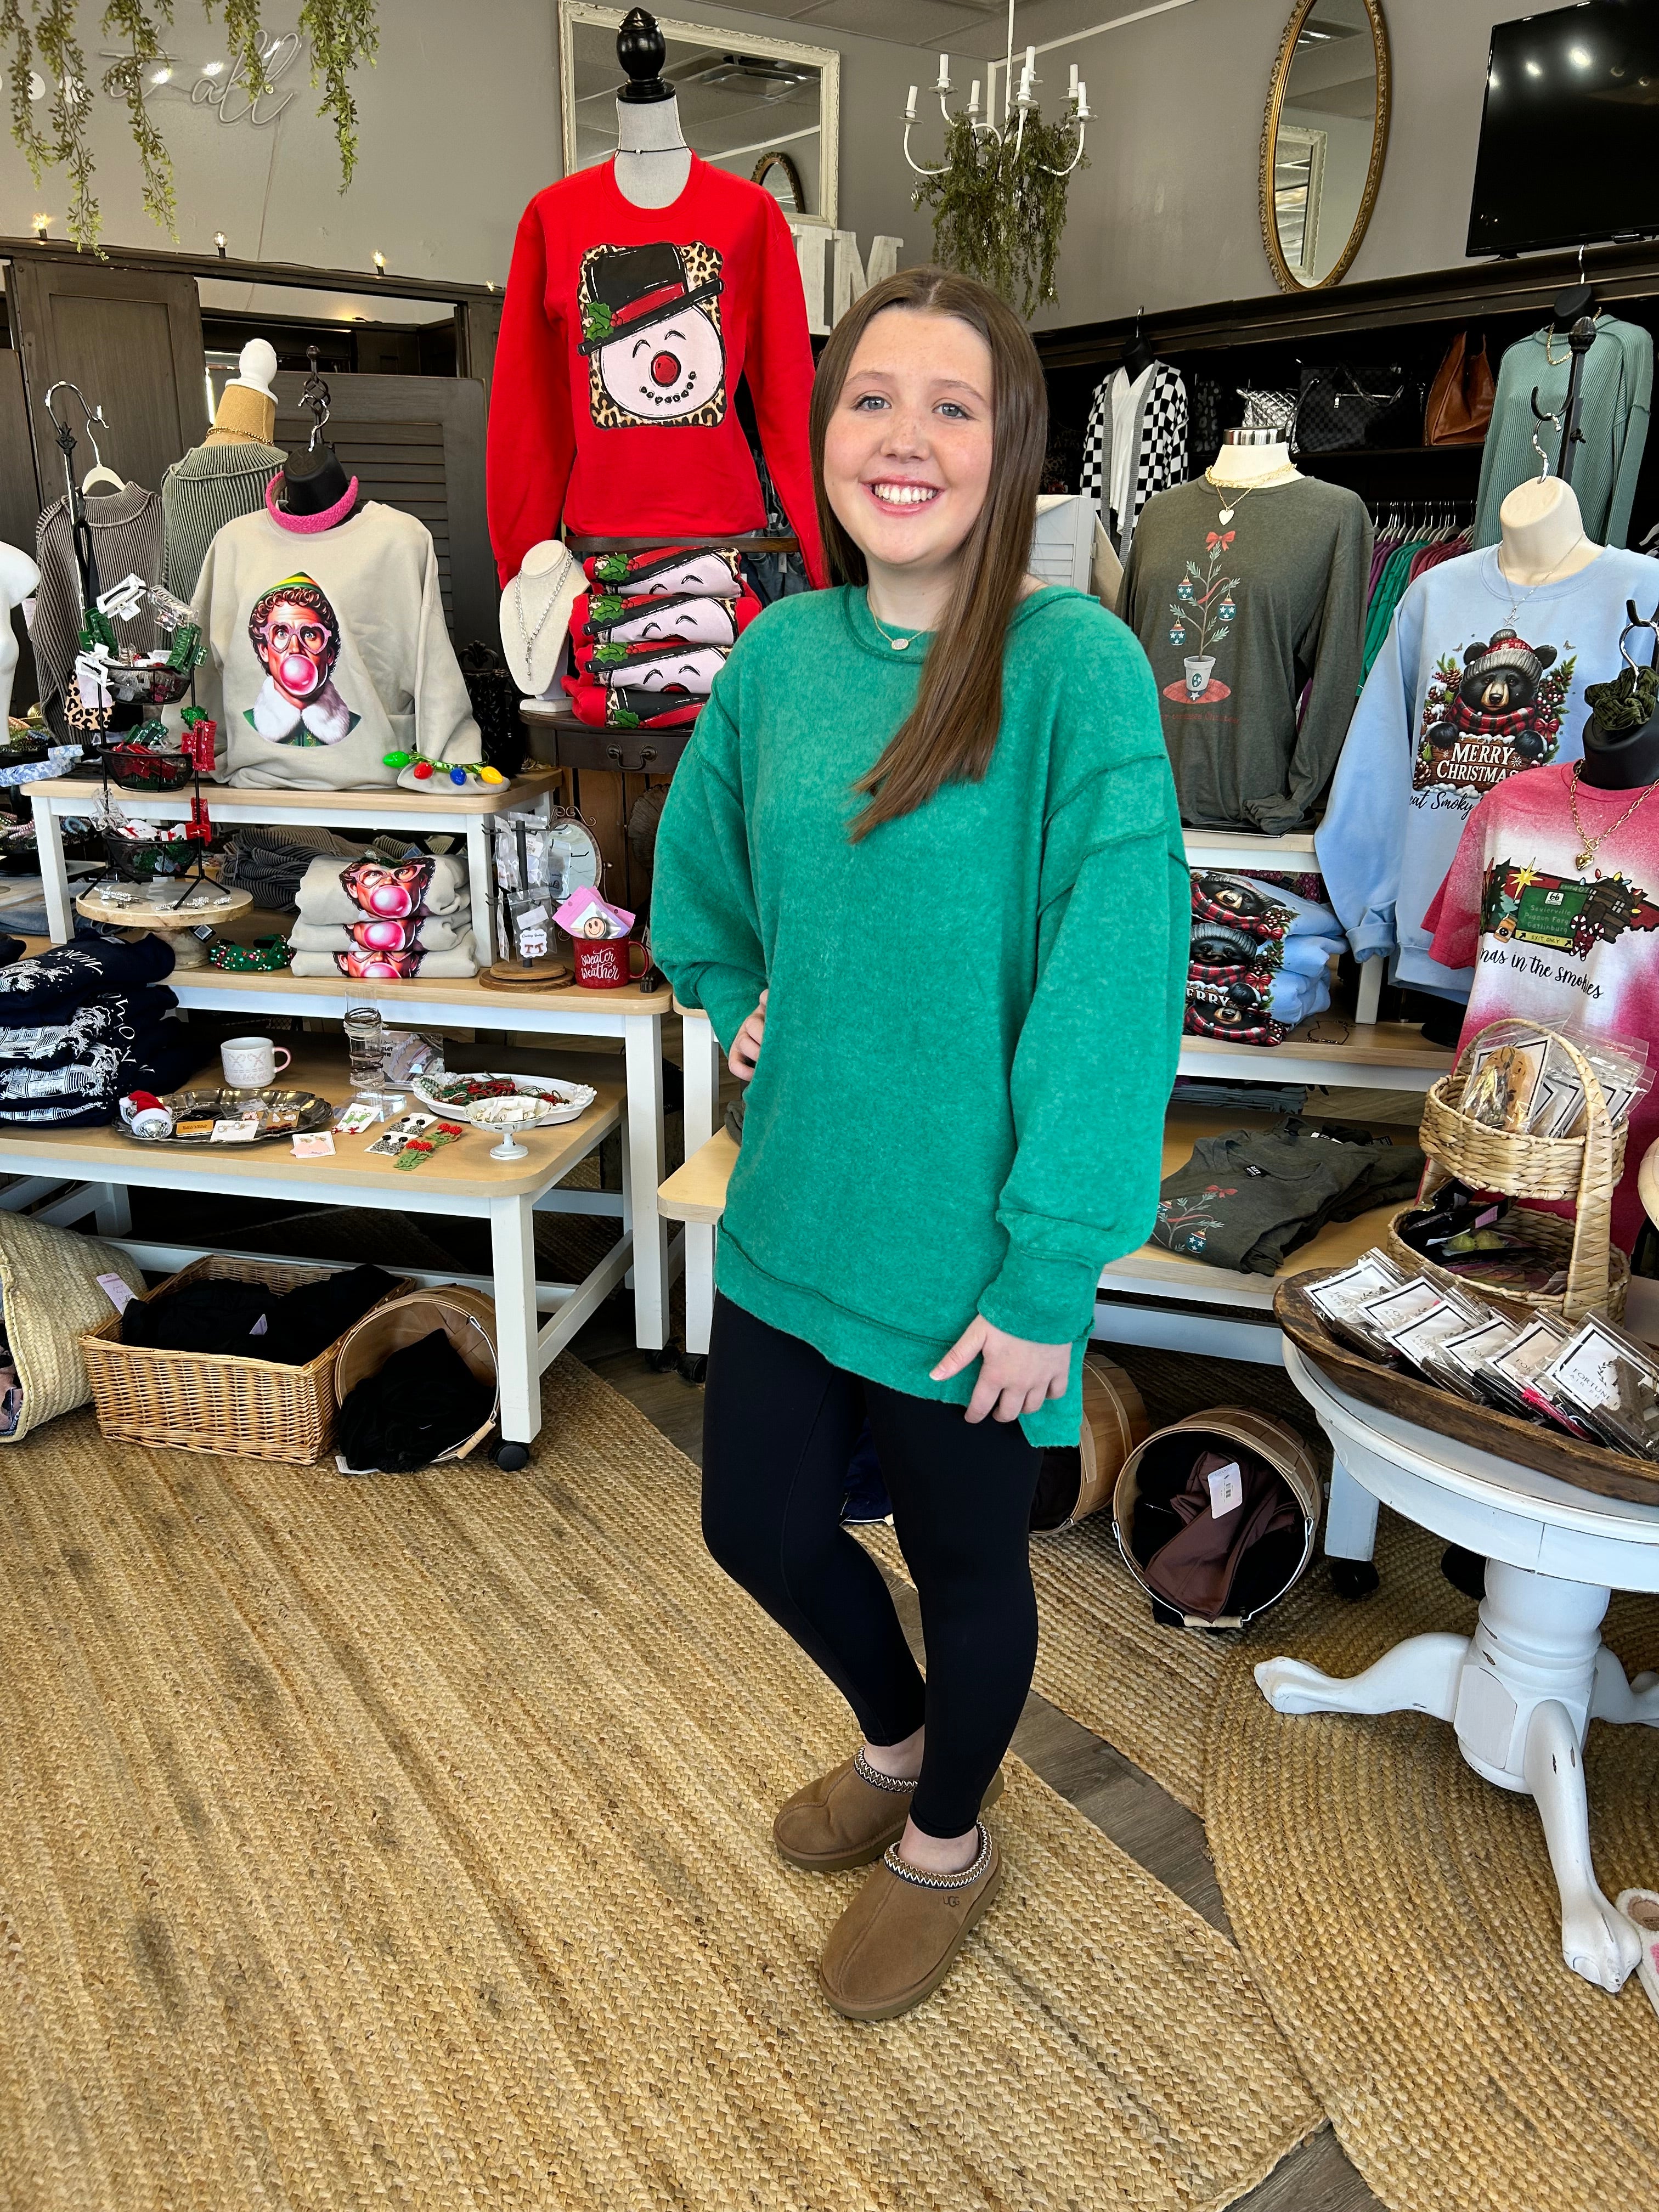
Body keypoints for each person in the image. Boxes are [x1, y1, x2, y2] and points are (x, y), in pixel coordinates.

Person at [650, 266, 1186, 2022]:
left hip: (972, 1262)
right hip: (794, 1208)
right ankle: (897, 1745)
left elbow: (1115, 981)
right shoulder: (780, 657)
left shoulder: (1074, 667)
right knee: (756, 1527)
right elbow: (705, 872)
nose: (907, 437)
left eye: (954, 406)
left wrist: (1051, 1273)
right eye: (873, 397)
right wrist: (732, 983)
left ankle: (948, 1842)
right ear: (825, 433)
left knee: (968, 1571)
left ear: (1010, 443)